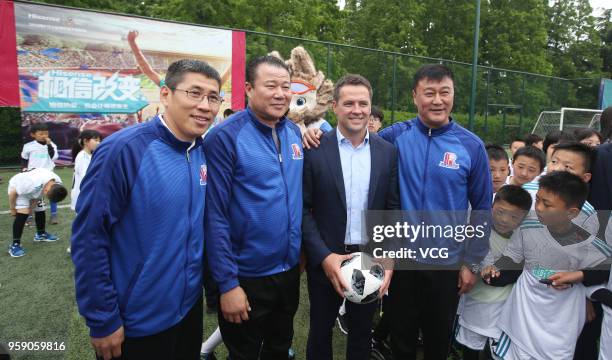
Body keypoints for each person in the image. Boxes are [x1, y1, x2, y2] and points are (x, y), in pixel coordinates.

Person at [71, 59, 222, 360]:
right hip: (136, 321)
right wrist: (102, 318)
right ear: (165, 95)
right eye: (194, 93)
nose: (205, 106)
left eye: (213, 97)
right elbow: (90, 238)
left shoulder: (203, 151)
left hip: (187, 310)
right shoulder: (123, 150)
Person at [203, 55, 303, 360]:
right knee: (244, 354)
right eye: (270, 85)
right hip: (246, 275)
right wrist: (228, 284)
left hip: (288, 272)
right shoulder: (225, 136)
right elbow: (214, 216)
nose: (280, 93)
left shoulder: (294, 133)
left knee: (279, 348)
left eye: (285, 87)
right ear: (248, 88)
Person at [302, 74, 398, 360]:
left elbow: (392, 209)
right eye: (349, 103)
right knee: (320, 332)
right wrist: (323, 256)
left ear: (370, 107)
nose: (356, 109)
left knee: (361, 334)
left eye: (363, 103)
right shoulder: (315, 149)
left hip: (370, 259)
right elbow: (303, 210)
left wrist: (388, 257)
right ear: (335, 106)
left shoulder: (387, 152)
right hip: (327, 260)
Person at [485, 171, 611, 360]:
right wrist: (494, 271)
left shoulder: (589, 241)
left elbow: (602, 271)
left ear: (572, 212)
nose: (539, 208)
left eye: (547, 204)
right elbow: (513, 257)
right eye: (537, 200)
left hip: (561, 321)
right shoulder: (528, 225)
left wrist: (577, 276)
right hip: (523, 311)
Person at [455, 185, 531, 360]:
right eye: (500, 212)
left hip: (505, 305)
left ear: (524, 218)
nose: (505, 220)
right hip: (475, 301)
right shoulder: (479, 228)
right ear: (491, 207)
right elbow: (476, 252)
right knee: (470, 347)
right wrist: (485, 267)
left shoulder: (523, 237)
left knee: (498, 350)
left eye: (514, 216)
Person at [7, 168, 67, 257]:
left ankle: (40, 234)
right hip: (19, 189)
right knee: (23, 213)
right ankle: (15, 245)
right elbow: (13, 193)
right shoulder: (30, 183)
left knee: (40, 208)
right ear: (46, 190)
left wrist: (32, 207)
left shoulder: (57, 182)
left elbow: (38, 196)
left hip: (35, 188)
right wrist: (12, 209)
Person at [67, 129, 101, 253]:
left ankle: (79, 245)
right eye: (96, 140)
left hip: (86, 194)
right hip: (82, 195)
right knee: (82, 222)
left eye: (99, 140)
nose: (99, 142)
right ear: (86, 141)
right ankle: (75, 246)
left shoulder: (89, 155)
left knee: (86, 222)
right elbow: (87, 178)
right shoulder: (82, 157)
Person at [21, 122, 60, 224]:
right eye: (41, 134)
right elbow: (24, 159)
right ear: (33, 135)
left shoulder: (52, 145)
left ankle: (54, 215)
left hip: (48, 174)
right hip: (33, 175)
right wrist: (24, 169)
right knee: (33, 196)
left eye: (46, 133)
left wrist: (49, 145)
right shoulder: (28, 146)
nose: (44, 136)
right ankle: (29, 216)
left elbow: (53, 157)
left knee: (53, 193)